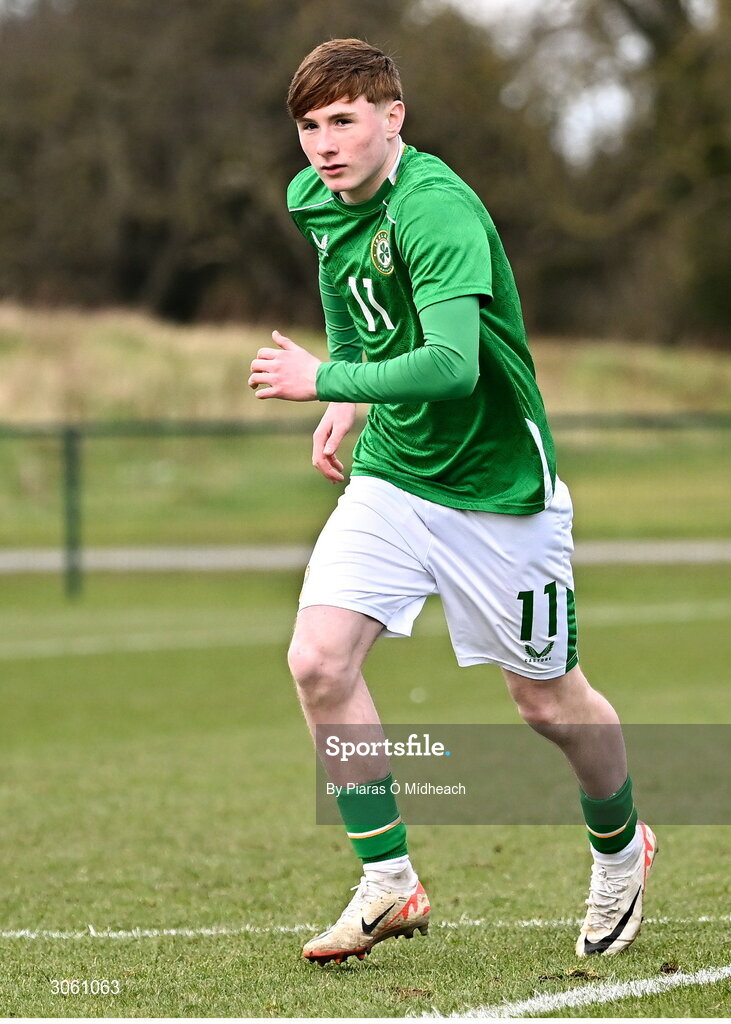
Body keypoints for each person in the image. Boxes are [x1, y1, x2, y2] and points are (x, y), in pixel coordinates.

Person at [248, 37, 656, 966]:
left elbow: (451, 362)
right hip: (395, 476)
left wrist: (323, 380)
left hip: (496, 490)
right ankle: (389, 882)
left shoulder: (436, 212)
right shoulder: (317, 198)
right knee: (317, 660)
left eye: (344, 121)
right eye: (309, 126)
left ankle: (620, 846)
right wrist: (352, 402)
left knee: (548, 706)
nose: (322, 145)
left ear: (393, 118)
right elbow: (353, 304)